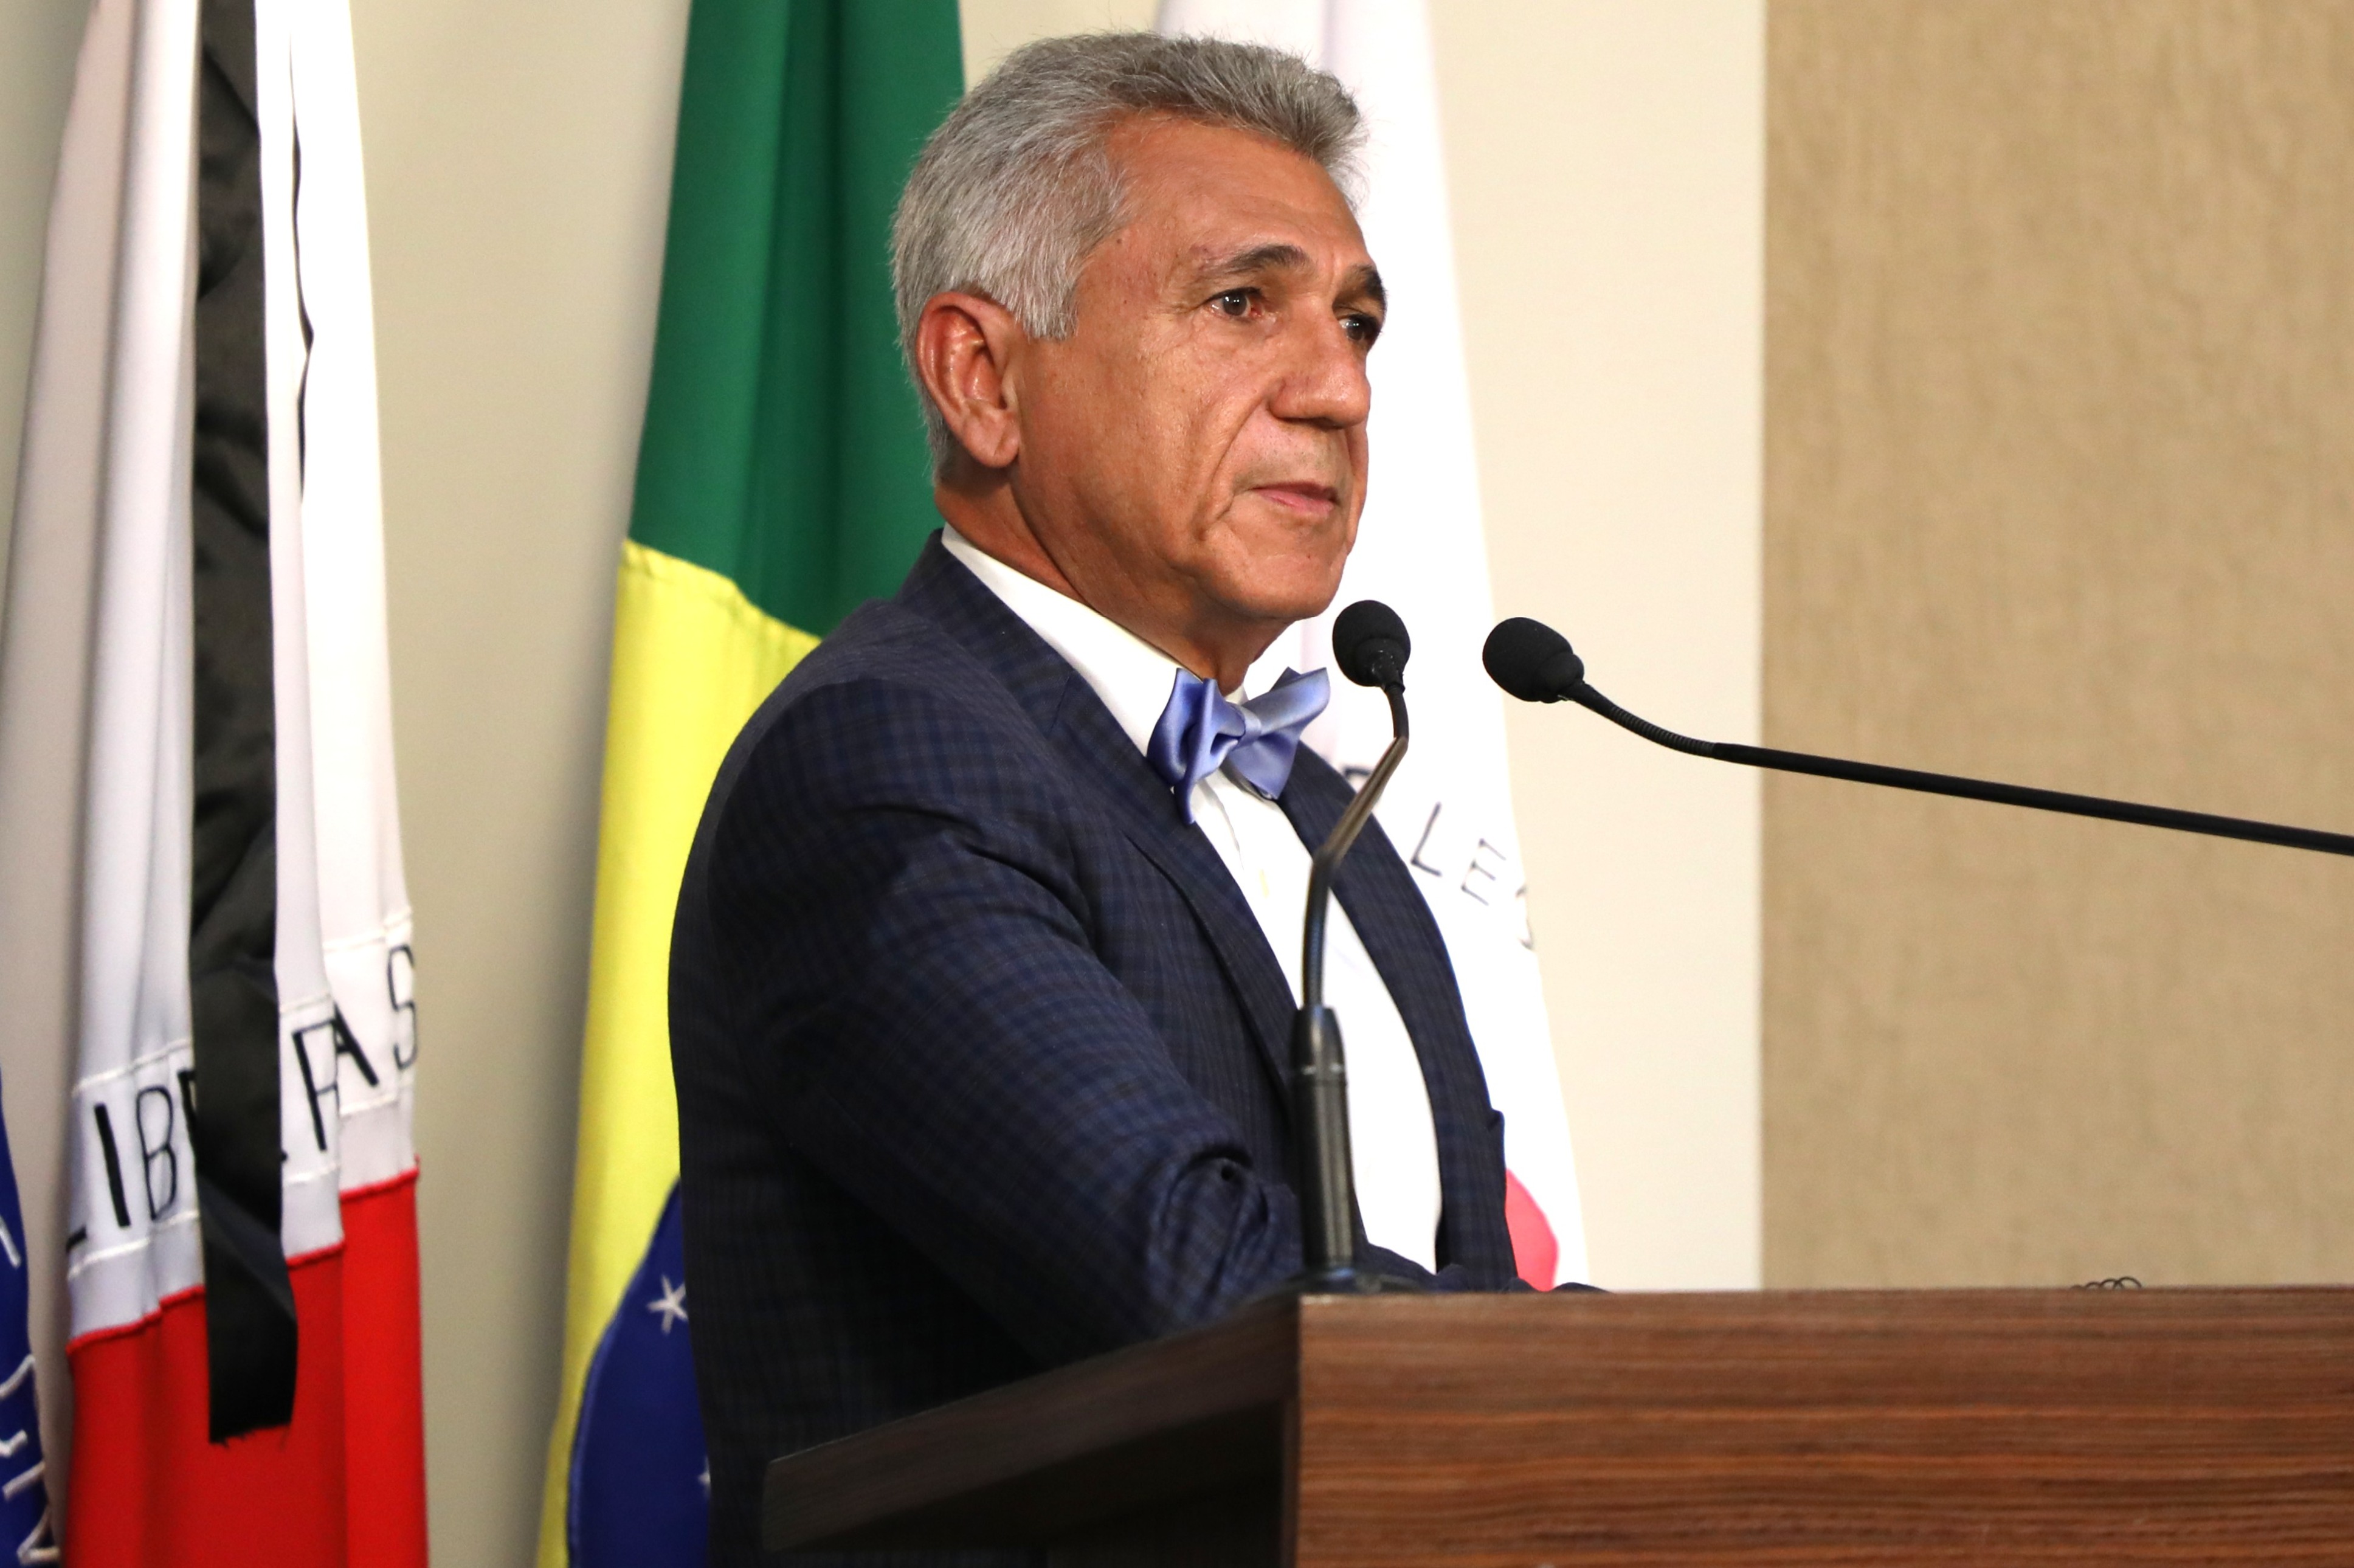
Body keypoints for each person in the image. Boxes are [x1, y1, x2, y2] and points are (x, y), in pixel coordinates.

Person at [669, 33, 1526, 1564]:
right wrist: (1687, 1387)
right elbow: (1200, 1296)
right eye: (1242, 303)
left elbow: (1459, 1314)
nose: (1338, 388)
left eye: (1355, 323)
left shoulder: (1323, 812)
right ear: (983, 379)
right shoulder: (885, 769)